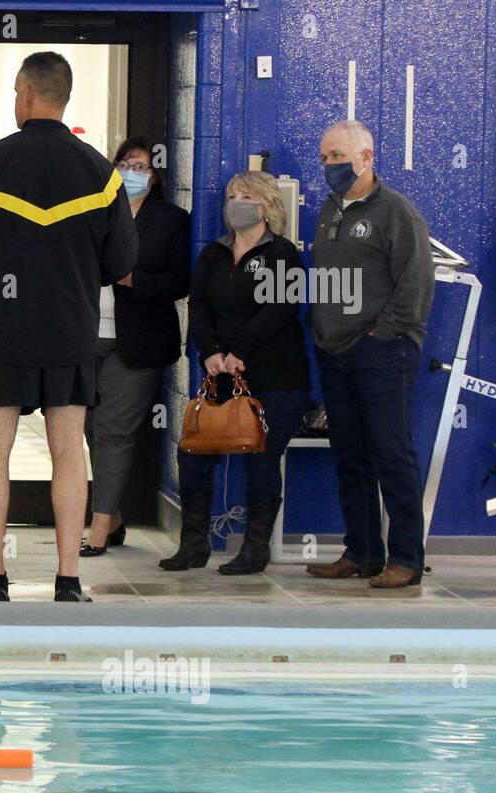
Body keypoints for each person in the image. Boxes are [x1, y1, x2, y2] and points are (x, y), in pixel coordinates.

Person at [0, 51, 138, 602]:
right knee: (69, 450)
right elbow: (122, 258)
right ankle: (69, 577)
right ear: (64, 96)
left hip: (3, 331)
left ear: (25, 94)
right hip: (71, 332)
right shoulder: (102, 173)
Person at [305, 120, 435, 589]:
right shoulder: (328, 209)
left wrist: (383, 333)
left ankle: (405, 558)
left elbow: (416, 283)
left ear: (365, 156)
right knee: (349, 455)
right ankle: (361, 551)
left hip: (382, 351)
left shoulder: (397, 212)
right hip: (334, 351)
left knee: (391, 453)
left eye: (336, 156)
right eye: (324, 158)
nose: (329, 166)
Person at [160, 171, 310, 574]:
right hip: (219, 376)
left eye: (245, 196)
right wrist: (210, 352)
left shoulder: (283, 255)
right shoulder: (213, 253)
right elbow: (201, 305)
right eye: (231, 195)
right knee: (192, 453)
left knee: (261, 459)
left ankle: (254, 550)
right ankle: (193, 546)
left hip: (275, 377)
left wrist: (239, 352)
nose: (235, 202)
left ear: (265, 206)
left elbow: (280, 309)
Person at [81, 136, 192, 557]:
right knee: (93, 430)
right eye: (126, 164)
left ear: (157, 175)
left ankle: (99, 526)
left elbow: (181, 281)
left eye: (142, 166)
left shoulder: (171, 220)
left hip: (138, 342)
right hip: (88, 336)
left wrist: (134, 280)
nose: (132, 173)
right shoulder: (96, 212)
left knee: (113, 431)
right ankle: (115, 516)